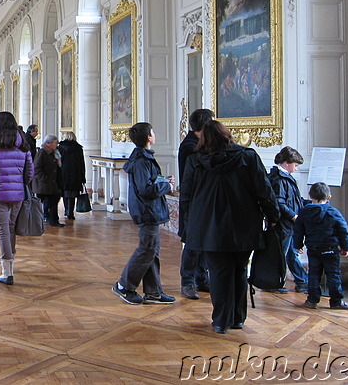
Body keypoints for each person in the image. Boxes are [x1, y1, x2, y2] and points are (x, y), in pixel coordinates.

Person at [179, 120, 279, 333]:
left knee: (218, 272)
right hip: (243, 224)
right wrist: (273, 215)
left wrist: (187, 228)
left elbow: (186, 197)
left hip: (208, 228)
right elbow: (264, 190)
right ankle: (237, 318)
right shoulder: (248, 157)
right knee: (240, 269)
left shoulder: (195, 161)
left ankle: (221, 320)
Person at [113, 122, 176, 306]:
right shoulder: (142, 160)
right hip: (147, 210)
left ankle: (153, 291)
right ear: (149, 137)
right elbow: (146, 188)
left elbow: (149, 181)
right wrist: (167, 186)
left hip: (149, 209)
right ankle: (124, 285)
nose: (155, 134)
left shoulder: (144, 158)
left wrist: (163, 181)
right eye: (153, 132)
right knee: (147, 249)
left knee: (152, 251)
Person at [0, 111, 34, 285]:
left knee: (3, 229)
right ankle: (10, 262)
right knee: (10, 227)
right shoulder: (23, 145)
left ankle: (6, 270)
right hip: (17, 192)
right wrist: (23, 184)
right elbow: (29, 170)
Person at [294, 182, 348, 310]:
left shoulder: (304, 212)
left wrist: (297, 245)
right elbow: (343, 230)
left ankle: (312, 300)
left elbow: (298, 230)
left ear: (310, 196)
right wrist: (345, 247)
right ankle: (336, 301)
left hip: (313, 249)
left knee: (313, 274)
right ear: (329, 197)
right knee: (333, 275)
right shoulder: (333, 212)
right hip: (331, 249)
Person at [177, 108, 214, 300]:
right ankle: (188, 281)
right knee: (192, 244)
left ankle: (201, 278)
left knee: (202, 241)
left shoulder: (196, 143)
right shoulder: (190, 146)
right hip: (193, 200)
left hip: (202, 199)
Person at [268, 146, 308, 293]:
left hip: (288, 224)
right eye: (295, 165)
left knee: (291, 254)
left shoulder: (285, 178)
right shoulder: (279, 179)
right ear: (287, 163)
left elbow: (294, 200)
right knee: (281, 255)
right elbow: (280, 203)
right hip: (284, 224)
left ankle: (303, 281)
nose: (296, 168)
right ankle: (273, 283)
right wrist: (294, 215)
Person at [32, 134, 64, 227]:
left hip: (52, 182)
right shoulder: (42, 152)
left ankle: (53, 219)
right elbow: (37, 168)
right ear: (49, 143)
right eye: (55, 143)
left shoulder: (54, 152)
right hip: (44, 183)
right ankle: (48, 219)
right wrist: (44, 179)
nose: (56, 145)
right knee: (49, 201)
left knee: (54, 201)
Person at [58, 131, 85, 221]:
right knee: (72, 194)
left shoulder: (60, 147)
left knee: (65, 192)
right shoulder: (78, 148)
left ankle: (66, 210)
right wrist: (83, 177)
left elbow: (58, 161)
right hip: (75, 172)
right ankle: (70, 212)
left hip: (63, 172)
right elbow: (82, 163)